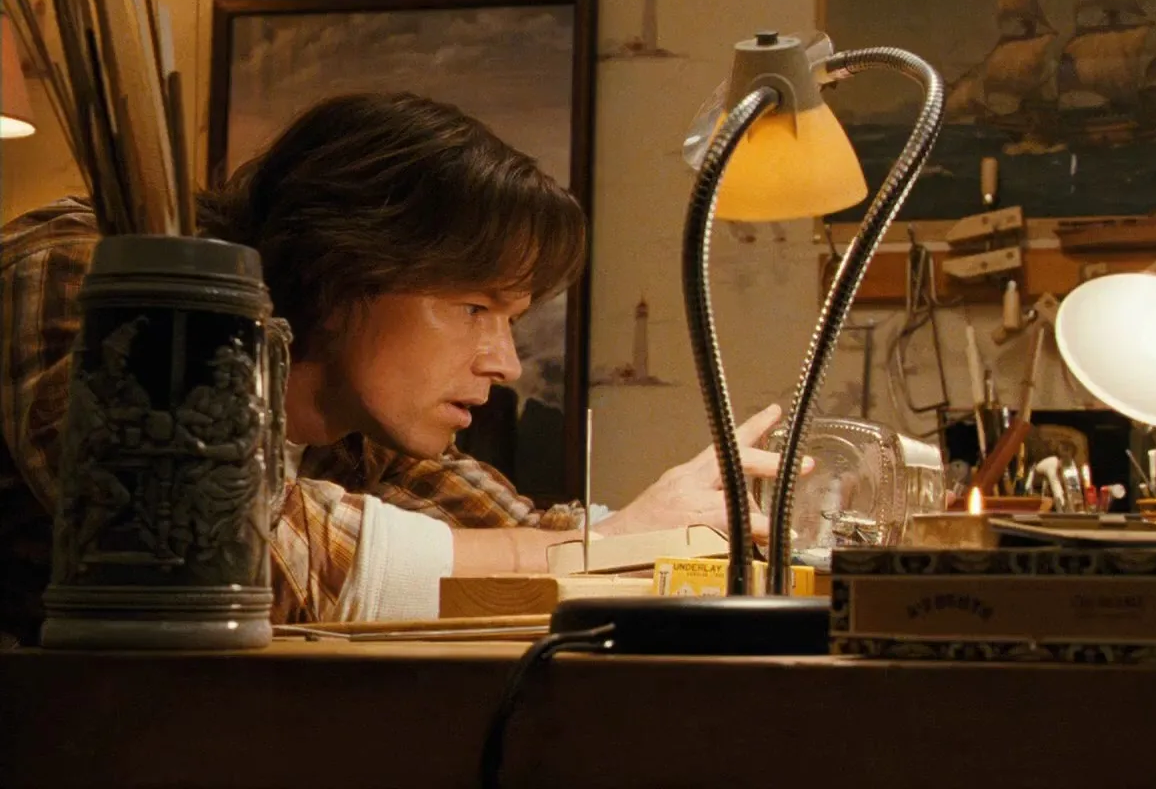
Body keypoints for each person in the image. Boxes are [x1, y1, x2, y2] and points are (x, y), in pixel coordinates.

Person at [0, 92, 797, 646]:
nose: (506, 364)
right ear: (344, 269)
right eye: (474, 308)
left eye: (511, 321)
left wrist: (657, 530)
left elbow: (516, 540)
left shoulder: (356, 416)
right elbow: (214, 547)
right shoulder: (91, 273)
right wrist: (610, 544)